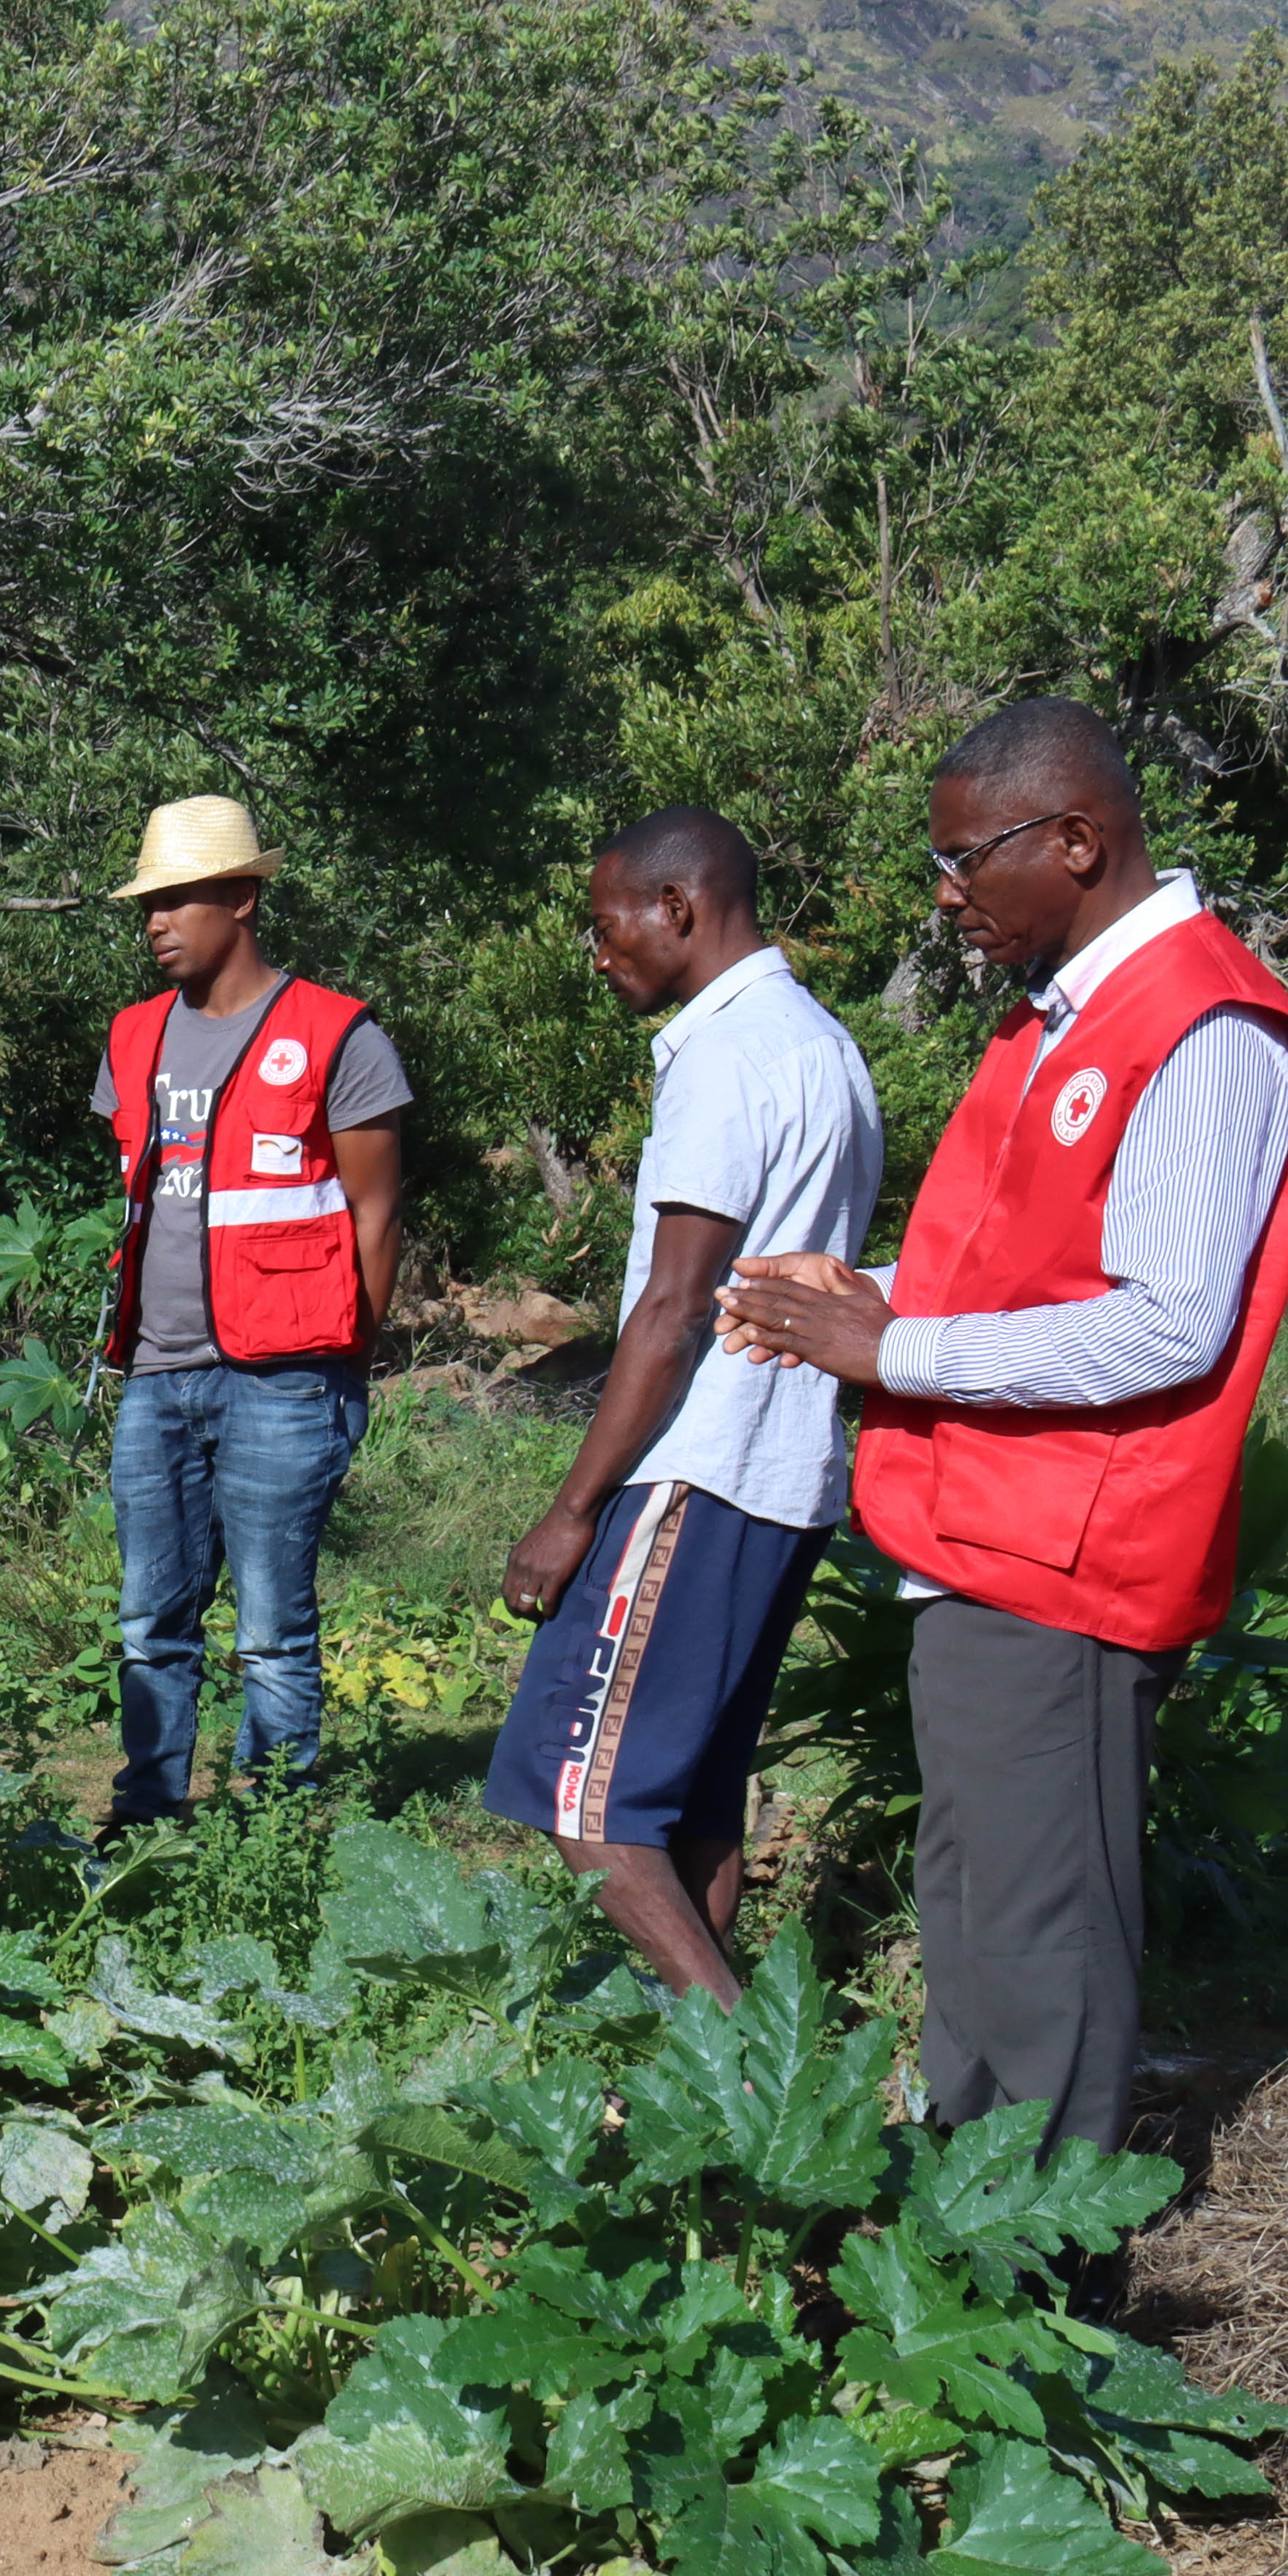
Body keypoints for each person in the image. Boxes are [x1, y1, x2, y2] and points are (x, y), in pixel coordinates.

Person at [719, 698, 1288, 2152]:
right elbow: (1032, 1275)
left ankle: (1053, 2277)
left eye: (964, 860)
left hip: (1071, 1550)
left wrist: (892, 1344)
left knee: (1041, 1927)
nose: (947, 898)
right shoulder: (1070, 1019)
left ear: (1076, 839)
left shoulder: (1200, 1021)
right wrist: (860, 1295)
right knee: (982, 1904)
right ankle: (972, 2222)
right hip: (989, 1537)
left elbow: (1168, 1318)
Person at [481, 807, 883, 1997]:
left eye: (607, 928)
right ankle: (699, 2092)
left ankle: (754, 2079)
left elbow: (674, 1306)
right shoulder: (822, 1043)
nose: (598, 955)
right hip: (785, 1469)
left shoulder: (727, 1056)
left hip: (698, 1465)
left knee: (581, 1794)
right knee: (689, 1804)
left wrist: (571, 1509)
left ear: (678, 908)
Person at [88, 795, 411, 1823]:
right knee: (150, 1621)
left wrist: (348, 1367)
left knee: (272, 1627)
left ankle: (274, 1829)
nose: (156, 921)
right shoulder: (131, 1039)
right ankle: (146, 1827)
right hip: (158, 1371)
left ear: (242, 897)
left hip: (289, 1375)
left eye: (178, 899)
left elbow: (376, 1213)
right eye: (149, 903)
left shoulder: (337, 1034)